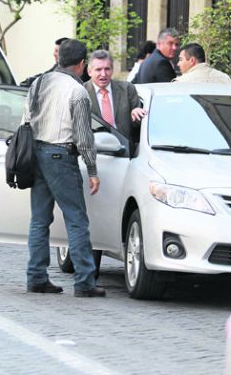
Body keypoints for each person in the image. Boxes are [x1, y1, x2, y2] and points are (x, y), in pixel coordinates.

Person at [22, 39, 106, 297]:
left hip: (36, 153)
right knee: (76, 219)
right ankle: (84, 281)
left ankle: (36, 276)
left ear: (59, 58)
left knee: (39, 220)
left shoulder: (38, 83)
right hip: (61, 157)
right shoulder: (77, 91)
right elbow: (84, 137)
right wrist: (92, 170)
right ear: (82, 64)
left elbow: (26, 120)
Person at [85, 50, 147, 145]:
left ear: (112, 70)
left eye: (107, 69)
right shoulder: (81, 93)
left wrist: (136, 115)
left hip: (125, 151)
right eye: (98, 69)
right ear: (89, 72)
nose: (103, 74)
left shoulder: (127, 89)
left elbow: (140, 125)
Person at [20, 37, 90, 87]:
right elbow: (45, 75)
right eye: (54, 50)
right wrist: (29, 81)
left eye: (57, 51)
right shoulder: (57, 67)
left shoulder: (82, 73)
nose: (54, 54)